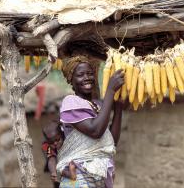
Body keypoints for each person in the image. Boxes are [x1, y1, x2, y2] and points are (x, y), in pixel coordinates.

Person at [56, 55, 124, 188]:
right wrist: (110, 90)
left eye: (90, 73)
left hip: (98, 177)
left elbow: (110, 143)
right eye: (80, 75)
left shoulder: (97, 105)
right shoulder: (70, 102)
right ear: (71, 79)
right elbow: (95, 131)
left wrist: (118, 108)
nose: (87, 77)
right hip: (79, 177)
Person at [42, 121, 77, 187]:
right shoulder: (47, 146)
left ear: (62, 133)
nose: (55, 143)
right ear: (47, 141)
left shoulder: (69, 136)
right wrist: (53, 172)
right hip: (58, 166)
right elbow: (51, 159)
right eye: (51, 142)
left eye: (57, 139)